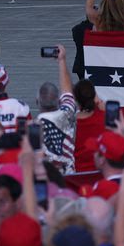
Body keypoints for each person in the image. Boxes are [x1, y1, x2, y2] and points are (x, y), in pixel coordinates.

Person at [36, 45, 76, 174]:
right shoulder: (67, 112)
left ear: (38, 102)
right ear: (59, 101)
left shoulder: (35, 126)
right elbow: (67, 91)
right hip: (69, 175)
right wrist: (62, 61)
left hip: (47, 176)